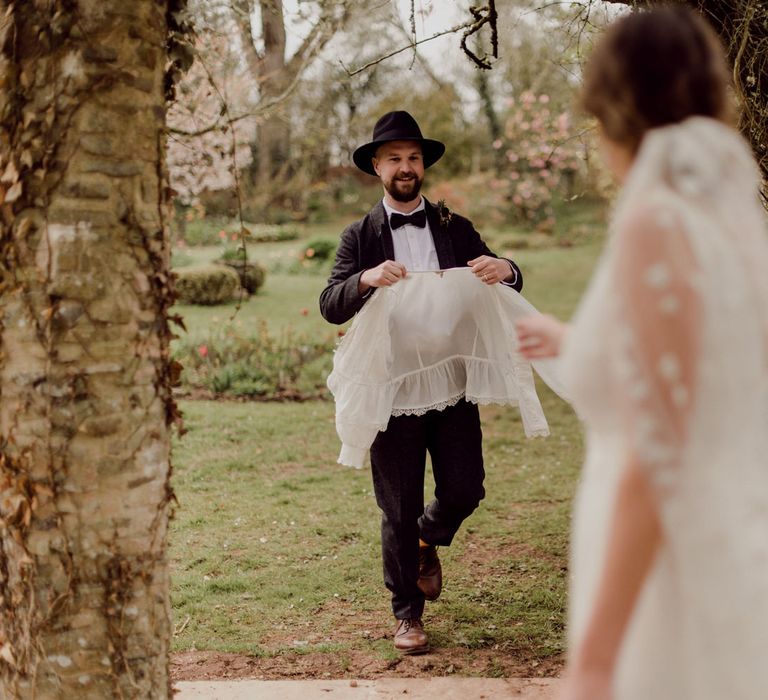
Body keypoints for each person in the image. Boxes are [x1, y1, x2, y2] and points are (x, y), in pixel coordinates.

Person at [516, 7, 768, 699]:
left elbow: (654, 453)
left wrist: (595, 661)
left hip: (667, 575)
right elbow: (702, 360)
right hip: (731, 535)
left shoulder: (656, 219)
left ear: (611, 105)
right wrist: (577, 342)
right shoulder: (728, 220)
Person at [319, 110, 524, 654]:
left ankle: (428, 537)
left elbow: (502, 273)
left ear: (422, 165)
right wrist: (364, 279)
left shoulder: (454, 227)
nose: (405, 167)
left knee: (466, 488)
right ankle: (407, 613)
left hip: (453, 384)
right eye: (394, 159)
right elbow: (329, 305)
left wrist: (507, 268)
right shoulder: (360, 236)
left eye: (413, 158)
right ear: (377, 168)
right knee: (398, 503)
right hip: (392, 389)